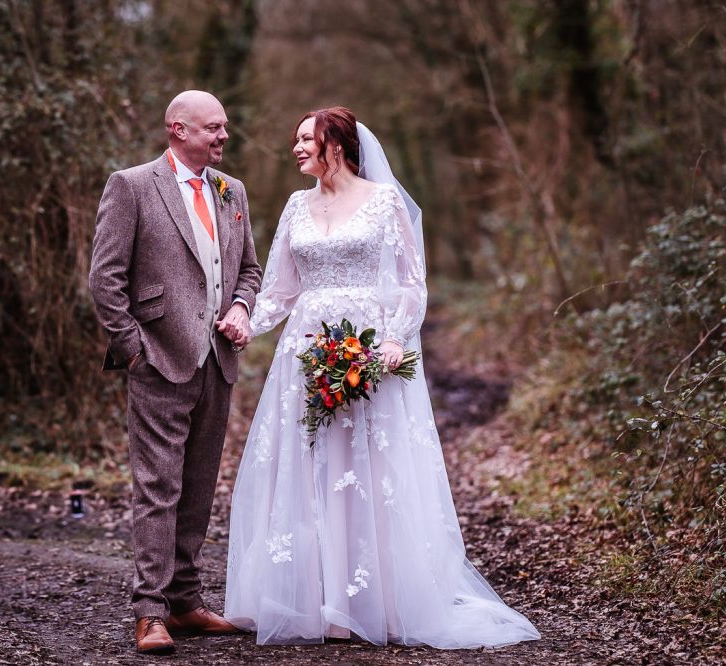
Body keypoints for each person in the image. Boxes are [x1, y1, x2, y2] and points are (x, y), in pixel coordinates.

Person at [224, 106, 541, 649]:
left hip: (369, 348)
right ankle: (320, 601)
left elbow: (412, 283)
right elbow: (280, 289)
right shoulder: (296, 206)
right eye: (295, 138)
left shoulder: (385, 202)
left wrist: (394, 340)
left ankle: (373, 601)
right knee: (309, 467)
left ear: (338, 145)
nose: (296, 147)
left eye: (307, 138)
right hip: (305, 353)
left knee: (365, 468)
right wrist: (244, 323)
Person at [89, 90, 262, 655]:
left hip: (219, 362)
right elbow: (105, 278)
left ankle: (186, 603)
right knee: (157, 487)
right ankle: (149, 612)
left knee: (199, 486)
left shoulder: (231, 190)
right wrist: (135, 349)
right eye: (212, 128)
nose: (223, 136)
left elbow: (250, 272)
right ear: (176, 129)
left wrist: (239, 308)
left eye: (225, 127)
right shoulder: (132, 185)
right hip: (159, 359)